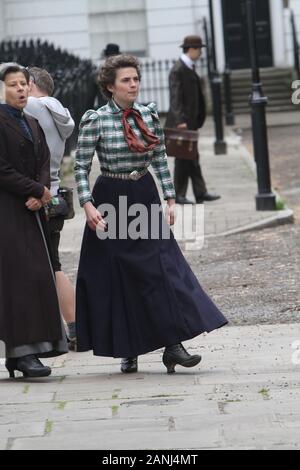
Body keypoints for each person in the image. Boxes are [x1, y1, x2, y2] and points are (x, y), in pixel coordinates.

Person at [74, 54, 227, 374]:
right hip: (111, 200)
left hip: (144, 194)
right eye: (126, 80)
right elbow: (80, 167)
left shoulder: (148, 115)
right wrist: (87, 204)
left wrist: (171, 198)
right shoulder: (96, 120)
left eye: (136, 79)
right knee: (122, 275)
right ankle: (128, 348)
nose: (134, 85)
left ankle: (174, 345)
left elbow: (159, 159)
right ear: (109, 86)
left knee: (162, 268)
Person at [0, 64, 68, 378]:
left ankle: (36, 349)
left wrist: (41, 192)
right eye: (13, 85)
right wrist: (35, 189)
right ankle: (20, 354)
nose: (21, 90)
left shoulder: (31, 121)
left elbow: (44, 159)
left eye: (24, 84)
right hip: (8, 210)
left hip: (33, 209)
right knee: (19, 281)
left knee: (39, 276)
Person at [25, 67, 76, 350]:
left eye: (21, 83)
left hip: (36, 196)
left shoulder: (34, 106)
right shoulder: (59, 112)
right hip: (55, 196)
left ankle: (49, 332)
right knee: (53, 265)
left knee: (45, 267)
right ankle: (76, 327)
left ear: (30, 84)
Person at [166, 35, 221, 205]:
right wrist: (180, 120)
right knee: (184, 158)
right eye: (199, 49)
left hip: (190, 122)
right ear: (191, 49)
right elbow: (175, 98)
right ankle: (179, 195)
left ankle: (200, 192)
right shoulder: (178, 69)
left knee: (192, 158)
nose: (201, 53)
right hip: (183, 123)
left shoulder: (188, 67)